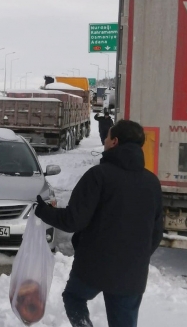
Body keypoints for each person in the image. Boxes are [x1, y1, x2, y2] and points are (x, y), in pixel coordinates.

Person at [35, 120, 163, 327]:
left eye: (107, 136)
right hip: (132, 271)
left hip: (93, 265)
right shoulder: (151, 182)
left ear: (115, 142)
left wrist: (43, 211)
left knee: (74, 298)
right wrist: (137, 256)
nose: (104, 139)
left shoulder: (99, 176)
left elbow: (73, 220)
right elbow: (157, 232)